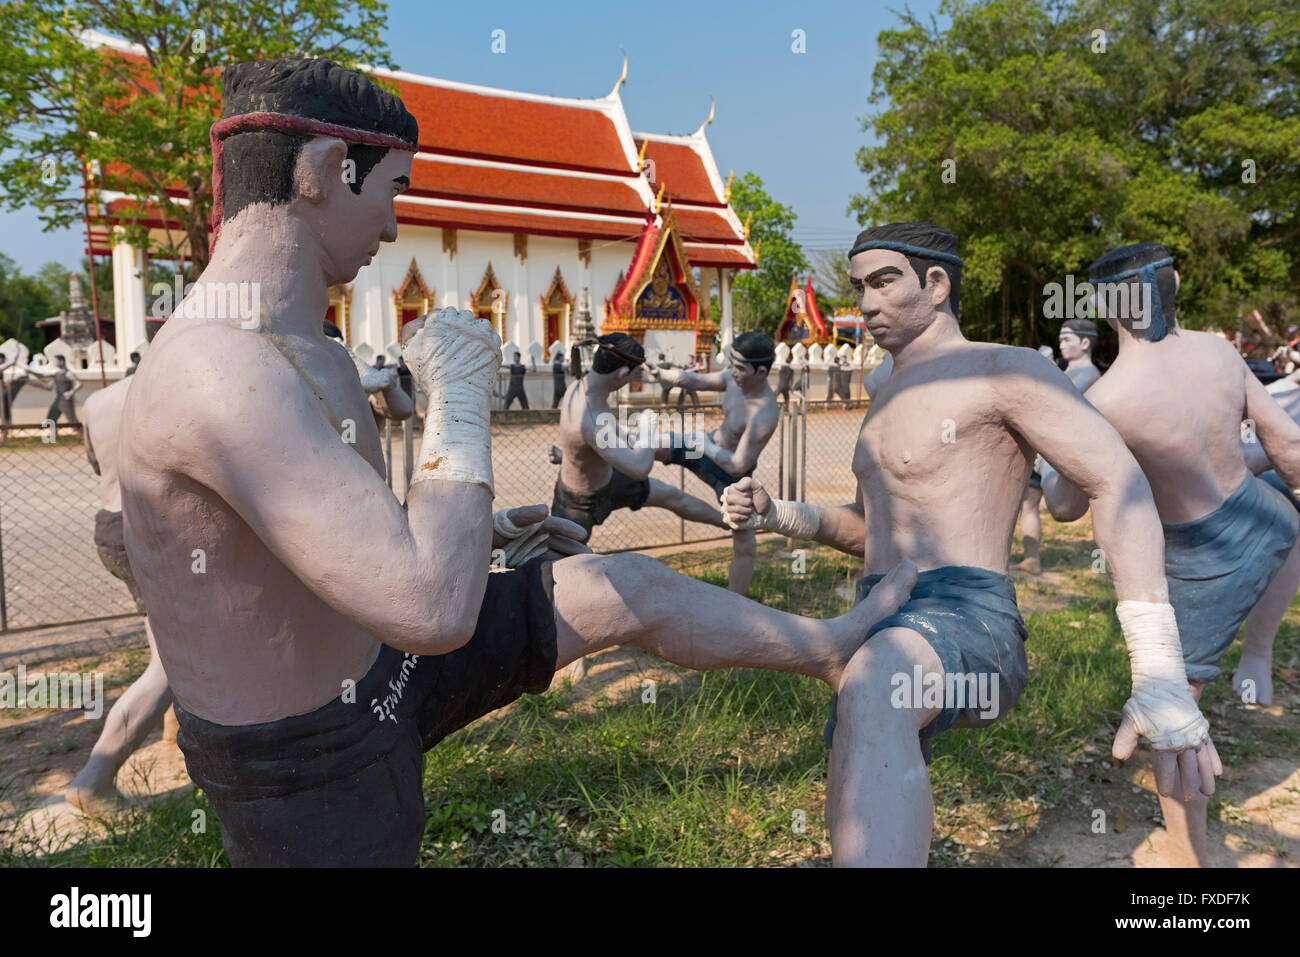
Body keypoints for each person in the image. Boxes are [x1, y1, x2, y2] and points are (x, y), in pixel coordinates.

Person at [119, 58, 918, 867]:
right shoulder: (214, 371)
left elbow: (344, 536)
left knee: (620, 586)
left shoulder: (313, 354)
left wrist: (485, 536)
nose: (393, 228)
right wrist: (461, 393)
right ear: (327, 169)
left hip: (386, 661)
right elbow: (432, 609)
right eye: (392, 190)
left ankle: (823, 646)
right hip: (307, 755)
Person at [722, 222, 1218, 866]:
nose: (865, 303)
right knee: (860, 742)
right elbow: (878, 536)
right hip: (880, 610)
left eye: (882, 282)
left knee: (873, 690)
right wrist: (783, 514)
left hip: (967, 615)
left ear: (935, 284)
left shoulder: (1004, 367)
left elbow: (1117, 482)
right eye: (858, 287)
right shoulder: (883, 393)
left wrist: (1158, 668)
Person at [1040, 242, 1300, 866]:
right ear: (1175, 283)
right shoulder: (1217, 347)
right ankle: (1258, 655)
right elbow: (1286, 442)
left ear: (1103, 307)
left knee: (1172, 719)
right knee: (1291, 525)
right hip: (1265, 517)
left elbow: (1064, 507)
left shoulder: (1106, 400)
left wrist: (1047, 438)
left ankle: (1192, 858)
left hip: (1200, 563)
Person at [65, 375, 175, 814]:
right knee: (167, 666)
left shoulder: (99, 400)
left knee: (171, 644)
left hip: (110, 526)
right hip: (152, 532)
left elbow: (97, 464)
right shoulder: (172, 387)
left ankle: (176, 731)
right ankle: (94, 781)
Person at [549, 332, 729, 539]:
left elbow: (590, 440)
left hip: (609, 478)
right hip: (577, 502)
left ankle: (729, 523)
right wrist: (646, 428)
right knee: (567, 564)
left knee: (672, 495)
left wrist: (570, 455)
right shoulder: (592, 419)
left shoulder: (581, 388)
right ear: (622, 374)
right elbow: (639, 468)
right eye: (633, 376)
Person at [647, 332, 781, 594]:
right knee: (648, 443)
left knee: (744, 545)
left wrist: (703, 445)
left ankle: (734, 607)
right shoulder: (734, 380)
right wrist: (664, 375)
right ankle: (594, 462)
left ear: (761, 371)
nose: (733, 372)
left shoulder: (764, 412)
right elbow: (695, 380)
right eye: (732, 364)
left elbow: (738, 465)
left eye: (740, 368)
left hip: (730, 475)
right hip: (705, 448)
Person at [1016, 318, 1101, 574]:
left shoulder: (1089, 373)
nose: (1061, 344)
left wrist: (1046, 367)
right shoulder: (1063, 372)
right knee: (1028, 503)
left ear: (1085, 343)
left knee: (1077, 508)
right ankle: (1031, 558)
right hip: (1042, 447)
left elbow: (1059, 397)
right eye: (1060, 339)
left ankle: (1106, 559)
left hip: (1068, 451)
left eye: (1067, 339)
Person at [26, 354, 81, 426]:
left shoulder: (68, 373)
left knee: (73, 422)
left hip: (66, 401)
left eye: (55, 361)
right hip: (58, 400)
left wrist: (70, 392)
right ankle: (54, 437)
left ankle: (83, 434)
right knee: (50, 421)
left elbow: (79, 384)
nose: (54, 363)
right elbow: (47, 385)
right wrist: (34, 381)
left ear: (61, 361)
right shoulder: (57, 374)